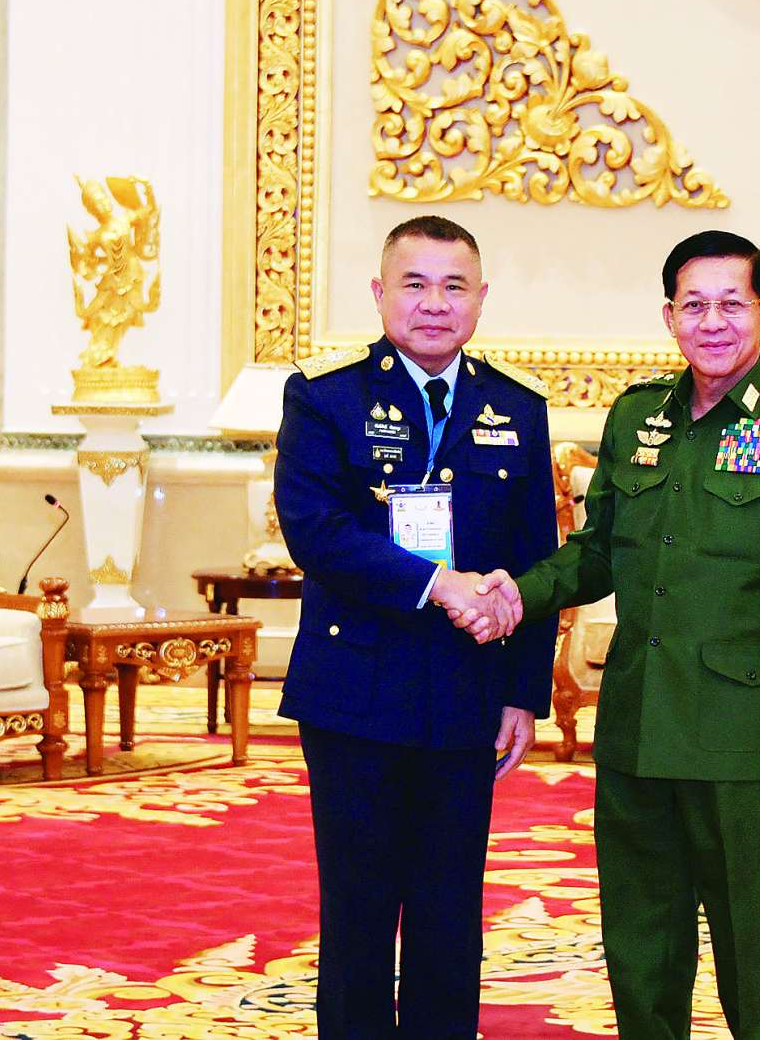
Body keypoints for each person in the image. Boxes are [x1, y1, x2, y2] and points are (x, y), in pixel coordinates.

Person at [452, 229, 760, 1040]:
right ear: (669, 317)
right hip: (638, 729)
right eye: (693, 305)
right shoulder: (638, 415)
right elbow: (596, 553)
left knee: (756, 952)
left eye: (731, 305)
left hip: (747, 743)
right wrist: (514, 593)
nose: (712, 323)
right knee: (641, 950)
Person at [273, 214, 558, 1040]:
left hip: (467, 695)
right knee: (358, 907)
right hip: (354, 694)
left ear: (480, 298)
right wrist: (437, 583)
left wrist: (523, 694)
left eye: (453, 286)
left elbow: (534, 562)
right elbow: (317, 533)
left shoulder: (516, 406)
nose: (434, 303)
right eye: (415, 283)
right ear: (379, 292)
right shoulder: (325, 397)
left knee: (448, 908)